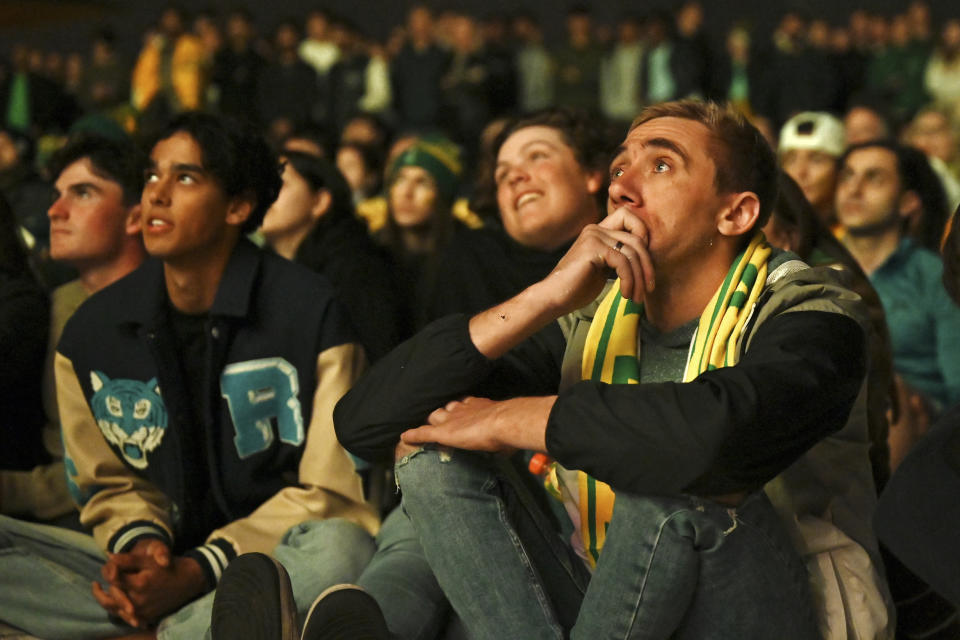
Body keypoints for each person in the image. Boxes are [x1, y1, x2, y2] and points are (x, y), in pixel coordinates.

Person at [329, 101, 891, 638]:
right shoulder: (592, 320)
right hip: (615, 603)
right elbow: (367, 424)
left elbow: (711, 437)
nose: (622, 185)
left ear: (736, 212)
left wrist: (509, 418)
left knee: (669, 479)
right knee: (433, 462)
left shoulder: (814, 309)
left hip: (765, 606)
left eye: (661, 164)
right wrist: (545, 297)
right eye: (621, 167)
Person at [0, 113, 378, 639]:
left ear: (238, 206)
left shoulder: (310, 313)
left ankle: (171, 631)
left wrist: (200, 568)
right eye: (153, 175)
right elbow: (108, 484)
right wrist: (142, 550)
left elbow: (333, 494)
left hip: (267, 558)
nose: (155, 194)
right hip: (163, 567)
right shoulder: (92, 332)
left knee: (344, 548)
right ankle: (187, 627)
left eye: (185, 178)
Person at [1, 135, 147, 526]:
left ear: (136, 215)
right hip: (54, 511)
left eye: (82, 193)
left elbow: (127, 471)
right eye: (57, 194)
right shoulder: (61, 301)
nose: (55, 211)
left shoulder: (162, 309)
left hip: (121, 523)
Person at [835, 140, 960, 424]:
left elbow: (958, 387)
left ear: (907, 202)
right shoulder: (809, 269)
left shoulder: (935, 277)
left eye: (874, 178)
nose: (853, 190)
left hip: (913, 423)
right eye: (847, 176)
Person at [260, 150, 406, 363]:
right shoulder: (257, 267)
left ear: (320, 201)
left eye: (279, 184)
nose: (264, 194)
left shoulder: (357, 267)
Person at [778, 111, 845, 229]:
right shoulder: (767, 237)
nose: (801, 172)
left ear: (841, 169)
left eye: (816, 160)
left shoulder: (855, 237)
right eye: (791, 160)